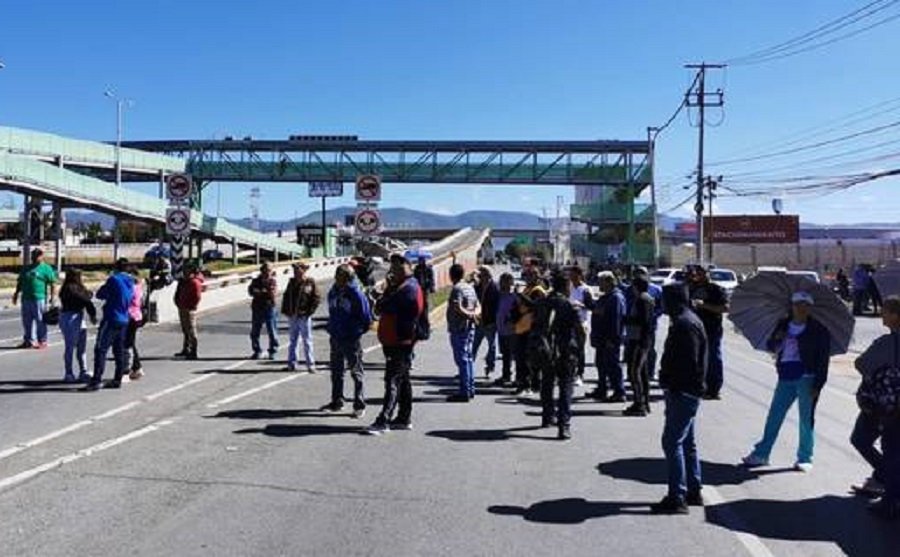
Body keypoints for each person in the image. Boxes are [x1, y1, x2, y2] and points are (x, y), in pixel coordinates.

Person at [741, 291, 831, 472]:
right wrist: (778, 340)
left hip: (807, 377)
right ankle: (762, 454)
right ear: (792, 306)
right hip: (785, 376)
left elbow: (823, 360)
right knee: (774, 415)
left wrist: (818, 384)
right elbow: (770, 346)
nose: (801, 308)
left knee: (806, 419)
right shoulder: (783, 325)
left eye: (805, 305)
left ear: (810, 308)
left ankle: (805, 457)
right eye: (798, 304)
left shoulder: (819, 330)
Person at [651, 283, 708, 514]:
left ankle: (678, 497)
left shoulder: (685, 324)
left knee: (671, 442)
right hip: (686, 391)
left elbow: (690, 363)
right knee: (686, 442)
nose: (662, 304)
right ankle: (693, 490)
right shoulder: (687, 320)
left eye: (665, 300)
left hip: (683, 392)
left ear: (675, 300)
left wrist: (673, 384)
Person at [851, 295, 900, 518]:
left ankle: (890, 496)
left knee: (868, 442)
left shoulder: (887, 344)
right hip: (890, 406)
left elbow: (861, 364)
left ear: (895, 316)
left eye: (886, 311)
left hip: (885, 406)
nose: (882, 313)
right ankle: (888, 481)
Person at [367, 253, 425, 435]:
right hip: (395, 339)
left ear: (407, 266)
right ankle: (403, 417)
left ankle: (383, 420)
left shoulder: (409, 288)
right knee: (403, 379)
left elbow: (384, 306)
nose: (393, 271)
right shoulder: (400, 286)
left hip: (400, 340)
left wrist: (384, 297)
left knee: (392, 379)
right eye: (392, 268)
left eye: (397, 267)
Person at [533, 272, 580, 439]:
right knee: (566, 387)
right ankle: (564, 425)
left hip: (546, 350)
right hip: (565, 350)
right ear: (566, 286)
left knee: (547, 383)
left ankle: (547, 417)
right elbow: (578, 329)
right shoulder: (568, 305)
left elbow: (535, 326)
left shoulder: (542, 302)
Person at [325, 264, 373, 418]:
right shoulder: (333, 292)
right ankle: (337, 400)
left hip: (351, 338)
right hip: (336, 336)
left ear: (347, 278)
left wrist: (356, 332)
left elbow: (366, 317)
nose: (336, 278)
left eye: (340, 276)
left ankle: (359, 404)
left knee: (356, 371)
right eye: (336, 275)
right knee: (336, 371)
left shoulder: (356, 294)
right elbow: (332, 311)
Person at [84, 259, 134, 391]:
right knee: (119, 349)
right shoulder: (131, 281)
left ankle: (96, 380)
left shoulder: (114, 279)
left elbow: (101, 294)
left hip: (111, 317)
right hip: (124, 317)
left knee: (101, 348)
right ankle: (118, 378)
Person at [687, 265, 729, 400]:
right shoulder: (690, 288)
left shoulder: (715, 289)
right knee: (694, 358)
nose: (698, 275)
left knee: (712, 358)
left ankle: (714, 389)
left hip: (711, 329)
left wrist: (703, 305)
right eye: (696, 273)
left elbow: (725, 308)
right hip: (693, 330)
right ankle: (697, 385)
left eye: (701, 273)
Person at [589, 271, 626, 402]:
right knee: (600, 364)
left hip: (609, 339)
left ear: (609, 282)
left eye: (601, 281)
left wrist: (613, 339)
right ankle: (602, 388)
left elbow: (616, 320)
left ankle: (619, 391)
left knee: (613, 366)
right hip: (601, 338)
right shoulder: (606, 297)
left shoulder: (616, 298)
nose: (598, 284)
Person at [446, 263, 481, 402]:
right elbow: (478, 306)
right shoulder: (469, 288)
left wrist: (468, 314)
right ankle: (470, 388)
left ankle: (464, 391)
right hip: (470, 327)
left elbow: (457, 307)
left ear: (451, 275)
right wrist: (473, 314)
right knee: (469, 358)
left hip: (459, 328)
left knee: (462, 360)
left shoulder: (457, 289)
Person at [622, 274, 655, 417]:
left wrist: (625, 319)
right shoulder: (645, 298)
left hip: (639, 340)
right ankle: (644, 402)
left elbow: (643, 321)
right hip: (641, 339)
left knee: (634, 372)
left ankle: (639, 404)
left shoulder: (643, 299)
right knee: (642, 373)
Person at [12, 248, 58, 349]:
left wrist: (53, 297)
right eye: (33, 255)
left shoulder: (46, 268)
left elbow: (53, 284)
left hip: (39, 298)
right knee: (27, 321)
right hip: (26, 298)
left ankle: (42, 340)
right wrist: (16, 294)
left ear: (42, 256)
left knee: (40, 320)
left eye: (37, 255)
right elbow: (20, 282)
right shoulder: (26, 268)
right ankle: (28, 341)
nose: (34, 257)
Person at [513, 266, 548, 394]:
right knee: (521, 358)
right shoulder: (528, 289)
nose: (528, 278)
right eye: (527, 275)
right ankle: (525, 383)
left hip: (531, 329)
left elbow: (534, 306)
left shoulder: (538, 290)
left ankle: (528, 385)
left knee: (528, 360)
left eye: (531, 275)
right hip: (521, 328)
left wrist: (519, 295)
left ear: (537, 277)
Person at [58, 268, 97, 383]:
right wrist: (92, 314)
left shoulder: (76, 288)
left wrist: (88, 295)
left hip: (78, 316)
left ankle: (83, 371)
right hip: (70, 317)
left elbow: (87, 296)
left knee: (81, 346)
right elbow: (85, 298)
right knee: (70, 347)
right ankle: (69, 373)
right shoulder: (69, 288)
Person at [281, 262, 321, 373]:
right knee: (293, 340)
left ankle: (310, 364)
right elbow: (286, 296)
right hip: (293, 315)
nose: (295, 272)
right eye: (294, 270)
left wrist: (310, 311)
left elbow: (316, 298)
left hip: (304, 315)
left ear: (303, 271)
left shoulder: (310, 283)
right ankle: (292, 363)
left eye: (298, 270)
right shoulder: (291, 282)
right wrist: (285, 310)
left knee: (307, 340)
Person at [247, 262, 279, 360]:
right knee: (255, 331)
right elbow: (251, 291)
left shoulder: (272, 281)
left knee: (272, 330)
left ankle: (272, 350)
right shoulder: (256, 281)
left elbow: (272, 294)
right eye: (265, 270)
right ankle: (257, 350)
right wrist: (262, 292)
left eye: (269, 270)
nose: (267, 273)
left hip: (269, 308)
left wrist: (262, 292)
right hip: (257, 308)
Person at [472, 266, 500, 378]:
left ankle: (490, 365)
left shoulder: (494, 287)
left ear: (487, 275)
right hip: (479, 321)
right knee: (473, 346)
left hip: (490, 322)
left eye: (481, 274)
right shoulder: (477, 287)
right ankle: (467, 369)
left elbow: (497, 306)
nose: (479, 276)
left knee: (492, 346)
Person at [568, 266, 592, 387]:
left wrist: (580, 305)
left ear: (579, 275)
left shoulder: (585, 289)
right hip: (569, 322)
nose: (571, 277)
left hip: (581, 323)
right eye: (570, 275)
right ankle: (570, 372)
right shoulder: (569, 288)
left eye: (573, 275)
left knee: (579, 349)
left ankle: (580, 374)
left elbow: (590, 306)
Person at [174, 262, 203, 360]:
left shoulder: (194, 282)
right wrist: (178, 302)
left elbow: (197, 297)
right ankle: (186, 348)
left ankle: (193, 351)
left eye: (186, 269)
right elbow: (178, 293)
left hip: (190, 309)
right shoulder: (183, 281)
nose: (184, 271)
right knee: (185, 329)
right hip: (182, 307)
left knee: (191, 330)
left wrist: (191, 306)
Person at [494, 272, 518, 387]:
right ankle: (506, 375)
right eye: (502, 280)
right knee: (505, 354)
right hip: (501, 329)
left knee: (515, 354)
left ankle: (518, 378)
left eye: (507, 280)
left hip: (511, 330)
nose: (504, 283)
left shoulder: (515, 296)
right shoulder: (499, 295)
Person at [125, 264, 148, 380]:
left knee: (127, 343)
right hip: (137, 316)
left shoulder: (133, 287)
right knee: (130, 342)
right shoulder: (140, 286)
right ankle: (137, 367)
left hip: (131, 316)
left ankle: (128, 369)